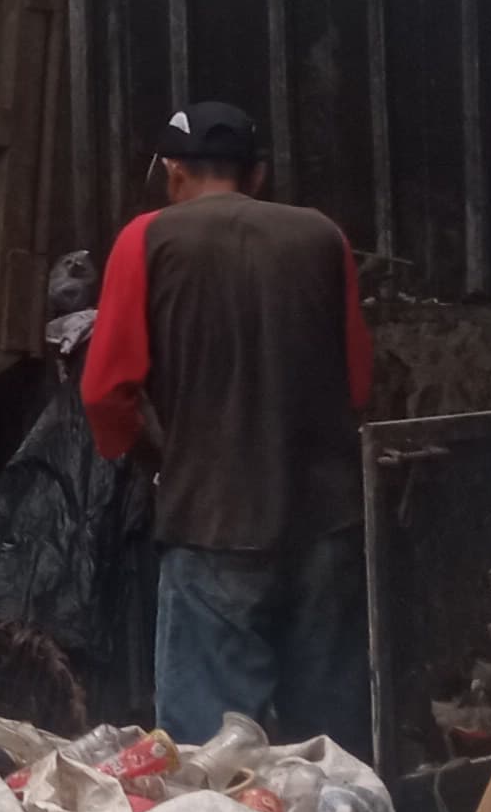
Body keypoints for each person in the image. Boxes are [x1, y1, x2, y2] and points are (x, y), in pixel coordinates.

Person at [79, 100, 375, 755]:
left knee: (209, 760)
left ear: (173, 173)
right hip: (327, 525)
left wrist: (152, 462)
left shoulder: (147, 239)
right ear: (258, 174)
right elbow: (358, 382)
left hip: (210, 523)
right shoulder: (323, 237)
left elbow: (105, 391)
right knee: (327, 753)